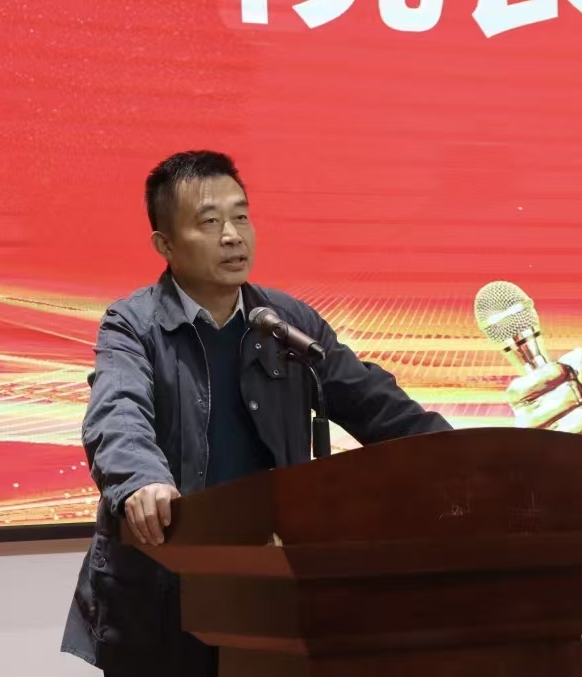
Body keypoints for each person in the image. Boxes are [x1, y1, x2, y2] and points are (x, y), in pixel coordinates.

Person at [61, 150, 452, 676]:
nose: (232, 236)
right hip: (160, 598)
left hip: (266, 597)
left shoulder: (286, 323)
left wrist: (464, 459)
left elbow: (376, 406)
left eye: (241, 217)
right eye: (209, 222)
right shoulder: (133, 325)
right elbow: (117, 412)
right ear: (165, 245)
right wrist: (141, 481)